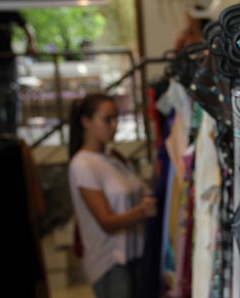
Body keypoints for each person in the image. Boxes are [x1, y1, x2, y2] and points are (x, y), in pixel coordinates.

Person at [68, 93, 157, 298]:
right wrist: (142, 211)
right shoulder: (83, 164)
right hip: (111, 264)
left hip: (135, 255)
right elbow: (106, 222)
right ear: (86, 122)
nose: (115, 125)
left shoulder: (113, 158)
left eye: (117, 118)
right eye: (107, 119)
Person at [0, 11, 36, 134]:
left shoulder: (6, 9)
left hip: (8, 61)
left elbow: (26, 25)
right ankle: (1, 134)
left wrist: (31, 44)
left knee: (12, 96)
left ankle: (12, 132)